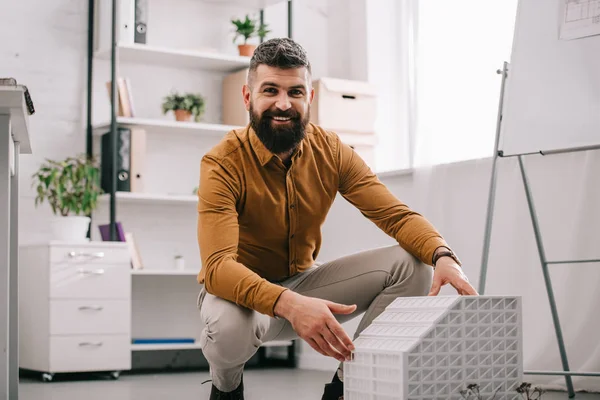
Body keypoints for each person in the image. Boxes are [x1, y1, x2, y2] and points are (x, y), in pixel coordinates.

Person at [196, 37, 477, 400]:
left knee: (414, 265)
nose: (283, 104)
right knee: (229, 328)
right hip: (242, 299)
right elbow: (218, 268)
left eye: (295, 92)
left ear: (309, 98)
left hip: (305, 283)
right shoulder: (222, 162)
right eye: (270, 90)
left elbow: (396, 215)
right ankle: (226, 388)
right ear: (248, 98)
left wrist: (443, 255)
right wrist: (289, 304)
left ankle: (347, 388)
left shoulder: (330, 150)